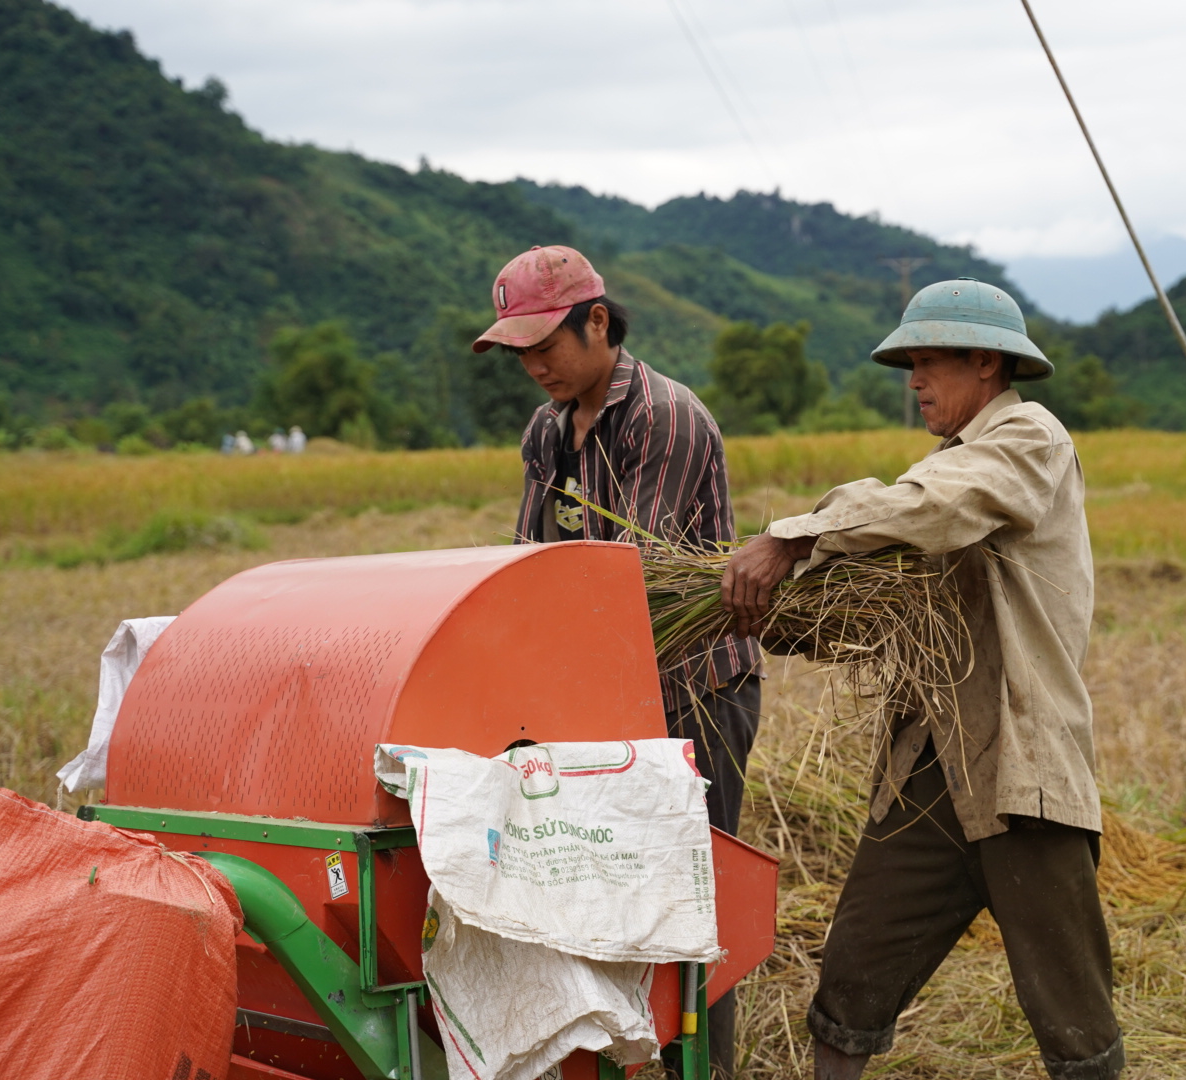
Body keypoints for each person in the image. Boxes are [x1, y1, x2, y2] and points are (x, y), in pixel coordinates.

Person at [722, 278, 1124, 1080]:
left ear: (984, 361)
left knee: (1074, 1018)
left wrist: (793, 538)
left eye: (926, 361)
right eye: (908, 363)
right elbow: (899, 611)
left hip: (1019, 768)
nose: (912, 381)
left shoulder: (1026, 441)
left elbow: (933, 508)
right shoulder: (950, 461)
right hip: (932, 770)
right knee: (852, 983)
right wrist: (790, 621)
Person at [473, 245, 761, 1080]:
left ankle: (700, 1067)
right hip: (601, 687)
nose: (533, 367)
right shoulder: (546, 431)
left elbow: (633, 584)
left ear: (597, 321)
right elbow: (531, 565)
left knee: (689, 896)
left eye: (545, 346)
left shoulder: (663, 417)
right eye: (519, 353)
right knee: (605, 883)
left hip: (695, 688)